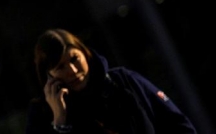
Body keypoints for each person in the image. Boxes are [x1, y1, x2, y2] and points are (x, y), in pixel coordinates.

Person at [25, 28, 197, 133]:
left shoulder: (122, 81)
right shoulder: (41, 114)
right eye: (61, 67)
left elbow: (178, 125)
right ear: (49, 75)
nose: (73, 70)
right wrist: (60, 121)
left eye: (74, 59)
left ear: (85, 53)